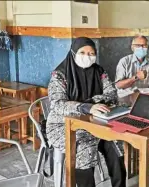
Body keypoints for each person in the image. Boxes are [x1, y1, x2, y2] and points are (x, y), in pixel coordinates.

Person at [46, 37, 126, 187]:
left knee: (115, 142)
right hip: (62, 124)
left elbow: (112, 94)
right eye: (82, 52)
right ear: (73, 52)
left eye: (91, 53)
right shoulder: (59, 75)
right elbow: (58, 104)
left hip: (95, 121)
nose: (87, 57)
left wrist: (91, 101)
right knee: (84, 146)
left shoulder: (99, 71)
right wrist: (86, 106)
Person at [115, 35, 149, 168]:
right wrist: (135, 77)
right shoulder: (124, 61)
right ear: (132, 47)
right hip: (124, 100)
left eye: (144, 46)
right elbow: (118, 85)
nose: (141, 48)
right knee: (145, 116)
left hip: (143, 100)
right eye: (138, 46)